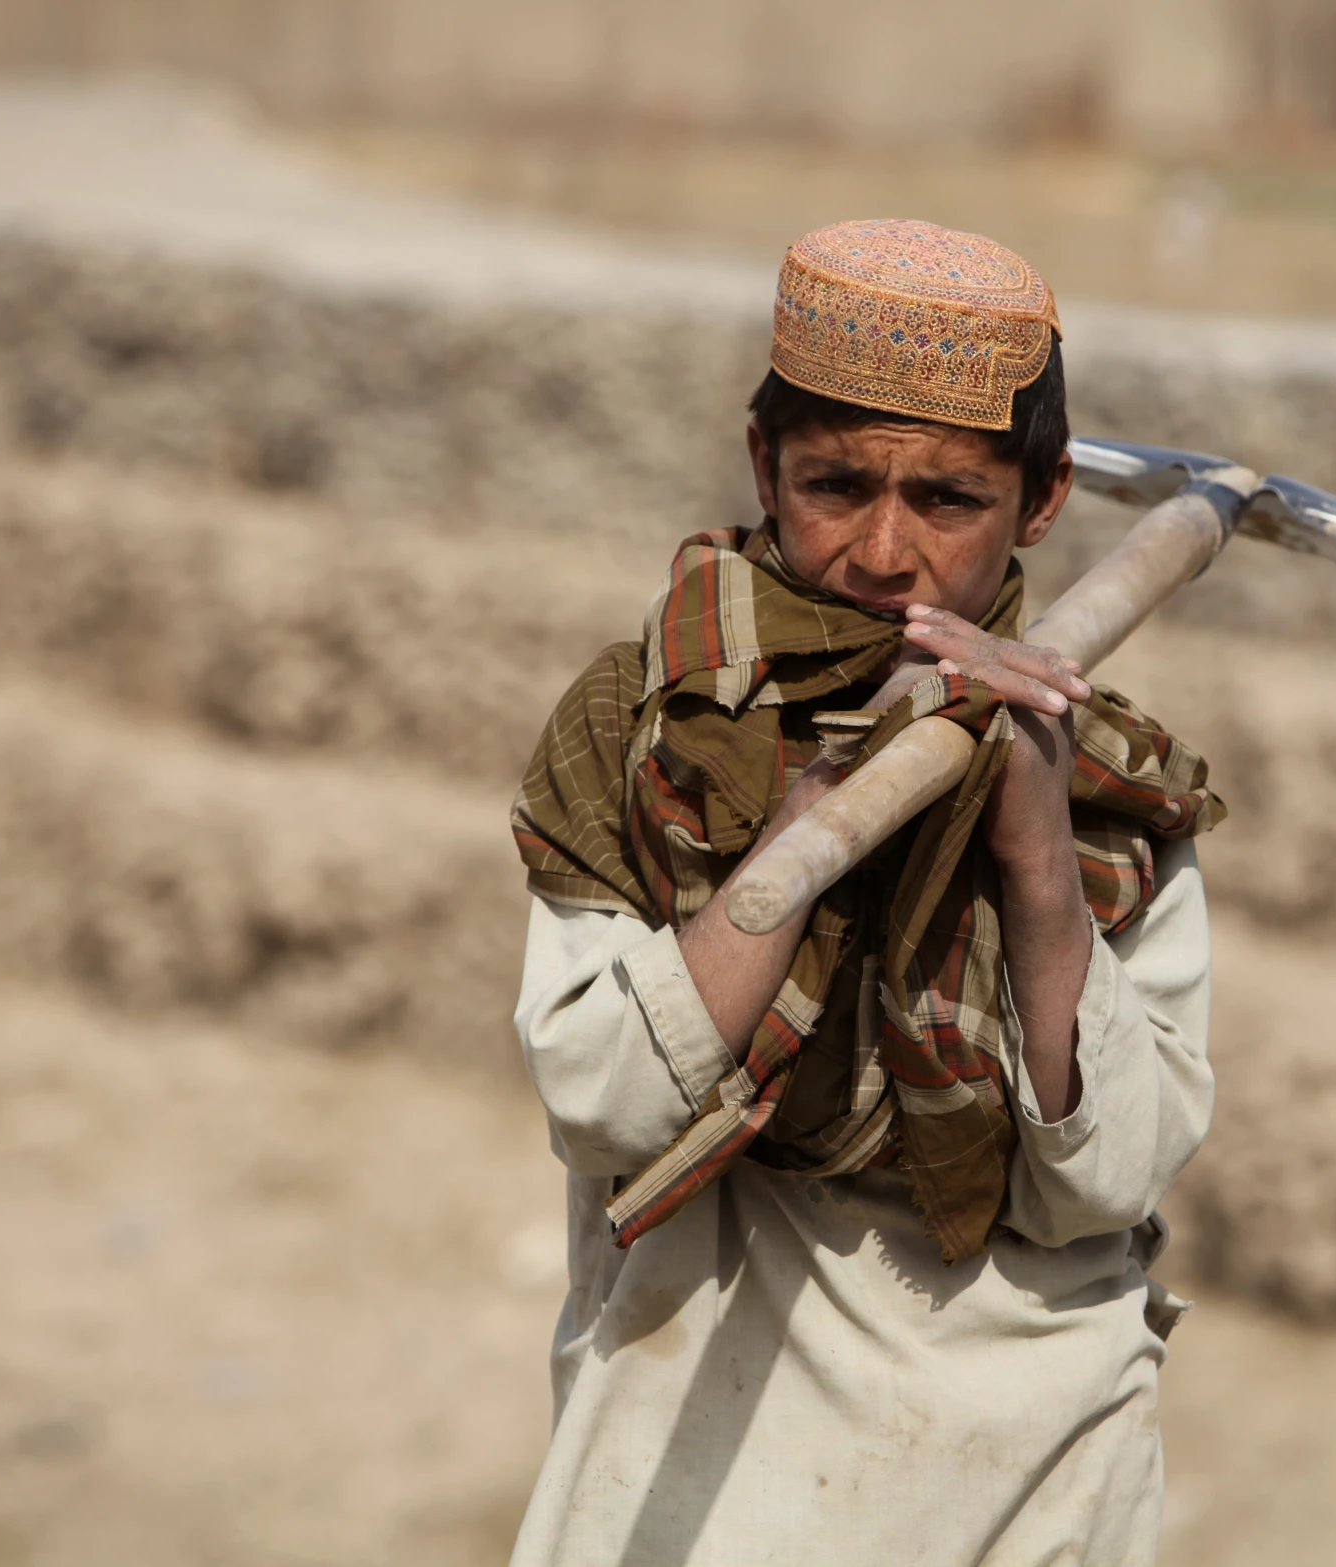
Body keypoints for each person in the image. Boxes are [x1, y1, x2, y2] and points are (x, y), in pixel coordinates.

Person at [505, 219, 1221, 1566]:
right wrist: (810, 821)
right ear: (763, 464)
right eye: (837, 486)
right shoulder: (650, 728)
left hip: (1036, 1446)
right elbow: (599, 1095)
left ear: (1043, 499)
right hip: (703, 1410)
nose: (885, 554)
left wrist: (1036, 860)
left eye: (947, 501)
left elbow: (1107, 1178)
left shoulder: (1114, 789)